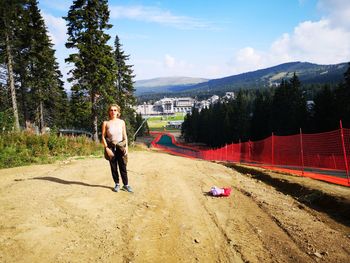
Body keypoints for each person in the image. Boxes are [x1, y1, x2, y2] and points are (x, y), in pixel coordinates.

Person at [102, 104, 133, 193]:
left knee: (123, 166)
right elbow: (103, 137)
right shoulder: (106, 123)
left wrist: (126, 147)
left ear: (118, 112)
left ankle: (126, 185)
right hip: (111, 147)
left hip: (121, 147)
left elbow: (125, 136)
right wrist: (107, 148)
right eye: (111, 110)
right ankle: (117, 184)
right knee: (113, 167)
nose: (113, 112)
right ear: (109, 112)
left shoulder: (121, 122)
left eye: (115, 110)